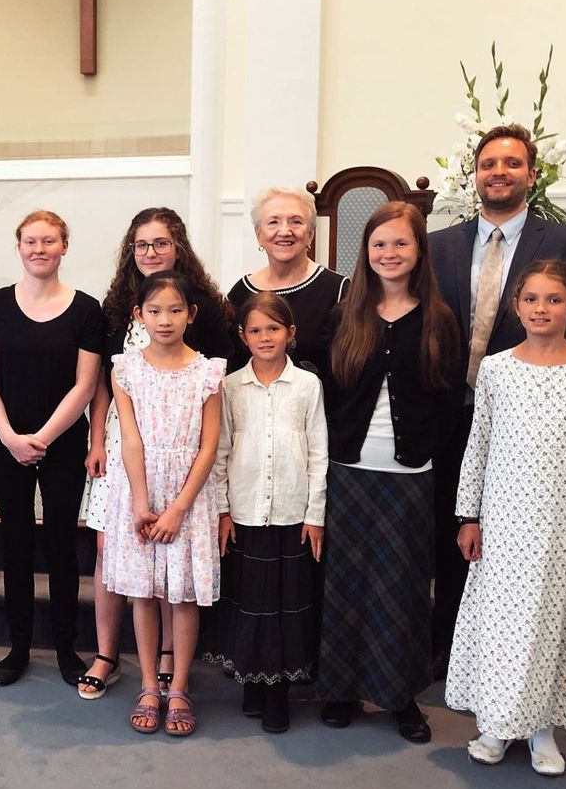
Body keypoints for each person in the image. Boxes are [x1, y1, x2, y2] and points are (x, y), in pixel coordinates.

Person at [429, 124, 566, 675]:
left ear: (532, 175)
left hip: (528, 423)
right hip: (446, 412)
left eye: (512, 164)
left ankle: (520, 657)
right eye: (489, 164)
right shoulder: (441, 244)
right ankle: (450, 648)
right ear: (475, 175)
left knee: (517, 550)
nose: (499, 173)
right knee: (453, 529)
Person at [445, 260, 566, 777]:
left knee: (546, 626)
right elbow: (478, 446)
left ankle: (542, 726)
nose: (542, 308)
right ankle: (496, 723)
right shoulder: (497, 369)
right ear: (515, 307)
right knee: (501, 625)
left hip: (558, 530)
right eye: (532, 299)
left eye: (554, 300)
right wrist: (468, 515)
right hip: (502, 523)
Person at [317, 201, 464, 743]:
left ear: (418, 251)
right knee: (346, 584)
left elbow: (449, 401)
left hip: (410, 476)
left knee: (401, 587)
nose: (389, 253)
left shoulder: (438, 320)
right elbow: (328, 393)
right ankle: (339, 689)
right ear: (367, 252)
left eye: (400, 243)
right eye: (379, 244)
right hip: (349, 471)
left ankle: (400, 695)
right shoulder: (344, 316)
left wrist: (423, 450)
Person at [80, 207, 231, 699]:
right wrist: (97, 437)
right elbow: (108, 382)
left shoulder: (203, 314)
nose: (150, 252)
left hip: (184, 460)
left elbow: (209, 424)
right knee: (115, 551)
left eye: (160, 243)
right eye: (142, 244)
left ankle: (172, 662)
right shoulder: (117, 306)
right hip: (129, 455)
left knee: (175, 570)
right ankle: (111, 655)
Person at [0, 210, 103, 687]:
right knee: (16, 543)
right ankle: (19, 645)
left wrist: (43, 439)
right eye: (31, 241)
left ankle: (67, 647)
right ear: (19, 246)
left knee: (61, 546)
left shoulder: (87, 310)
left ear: (64, 246)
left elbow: (85, 386)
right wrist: (10, 436)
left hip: (63, 443)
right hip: (6, 440)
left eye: (49, 241)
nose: (39, 249)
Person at [99, 271, 225, 737]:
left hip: (188, 496)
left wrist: (177, 509)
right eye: (154, 311)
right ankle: (150, 685)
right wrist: (140, 502)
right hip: (139, 491)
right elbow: (129, 439)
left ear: (191, 314)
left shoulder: (209, 371)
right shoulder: (126, 368)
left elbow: (209, 447)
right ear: (139, 315)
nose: (165, 320)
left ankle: (180, 688)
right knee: (144, 592)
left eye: (175, 310)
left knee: (184, 594)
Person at [212, 292, 327, 733]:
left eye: (274, 329)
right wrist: (223, 511)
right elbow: (221, 451)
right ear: (243, 336)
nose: (265, 337)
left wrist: (314, 513)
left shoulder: (307, 386)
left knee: (284, 607)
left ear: (290, 334)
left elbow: (319, 451)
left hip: (292, 516)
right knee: (250, 605)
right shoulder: (229, 387)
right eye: (256, 330)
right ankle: (251, 683)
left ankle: (278, 690)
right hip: (244, 512)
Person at [228, 186, 349, 373]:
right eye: (273, 222)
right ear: (259, 234)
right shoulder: (240, 293)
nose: (284, 231)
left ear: (310, 233)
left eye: (296, 222)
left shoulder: (340, 290)